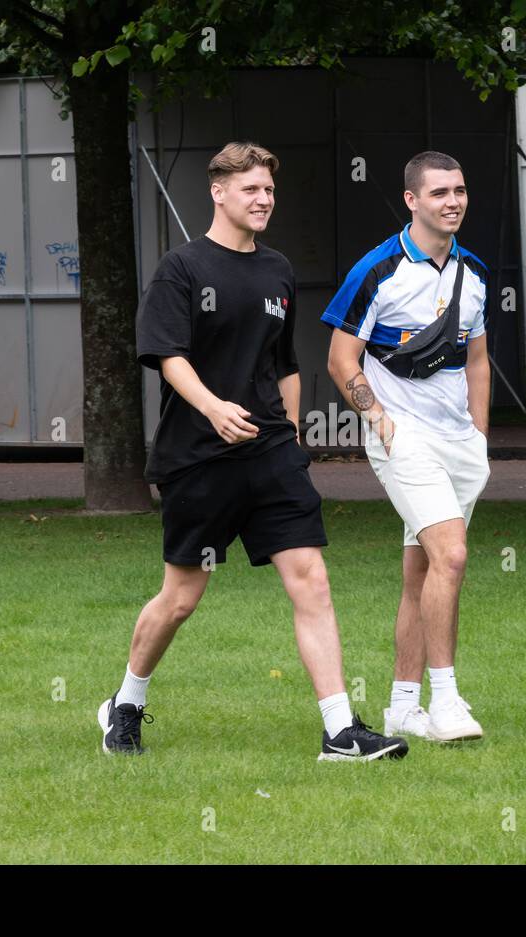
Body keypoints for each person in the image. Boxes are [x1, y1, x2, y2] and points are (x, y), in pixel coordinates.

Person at [98, 141, 408, 763]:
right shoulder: (181, 268)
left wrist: (289, 435)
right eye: (251, 189)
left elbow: (284, 362)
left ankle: (340, 731)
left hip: (272, 456)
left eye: (269, 189)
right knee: (182, 598)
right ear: (219, 193)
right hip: (199, 458)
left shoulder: (278, 270)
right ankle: (125, 706)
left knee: (311, 581)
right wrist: (212, 407)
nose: (264, 199)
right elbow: (167, 355)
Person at [322, 150, 491, 743]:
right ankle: (446, 701)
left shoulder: (475, 272)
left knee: (421, 573)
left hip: (460, 443)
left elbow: (477, 358)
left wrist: (480, 433)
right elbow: (341, 360)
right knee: (453, 557)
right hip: (404, 438)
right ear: (412, 201)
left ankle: (401, 706)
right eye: (440, 192)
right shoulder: (377, 269)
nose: (453, 201)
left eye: (461, 190)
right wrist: (377, 418)